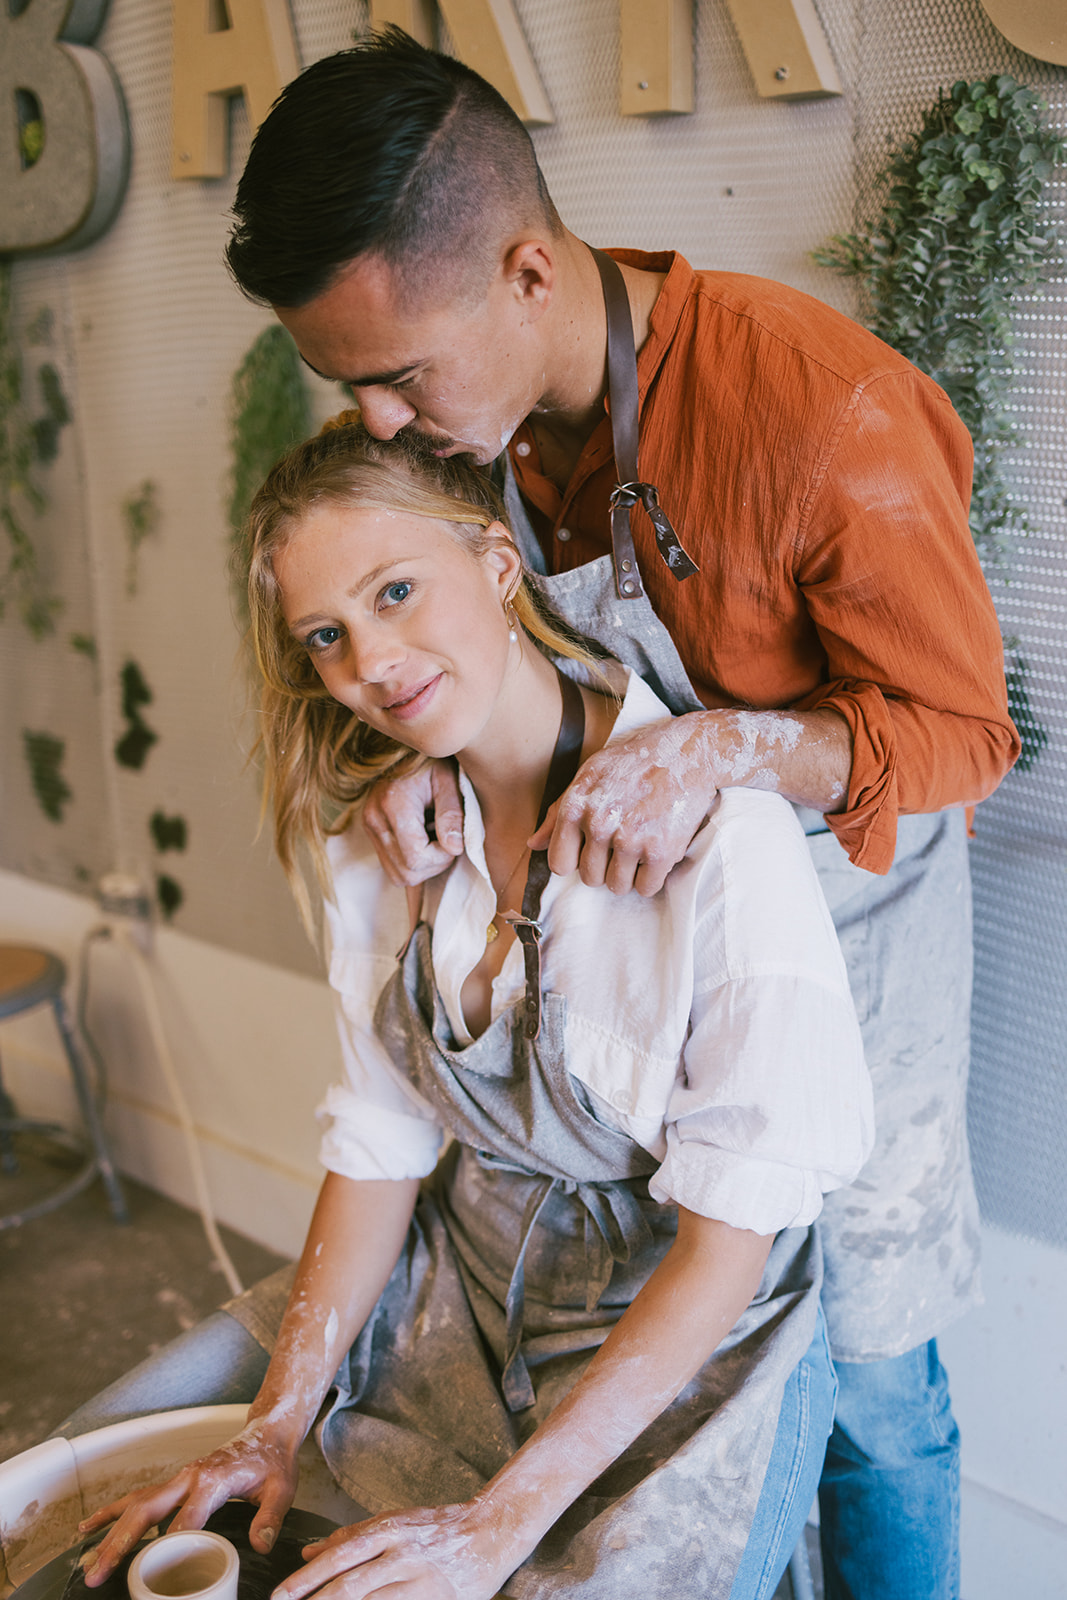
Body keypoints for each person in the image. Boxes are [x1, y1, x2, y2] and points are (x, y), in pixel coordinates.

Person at [219, 32, 1020, 1600]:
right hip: (629, 971)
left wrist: (731, 752)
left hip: (843, 939)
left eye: (397, 375)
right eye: (348, 387)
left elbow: (966, 736)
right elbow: (446, 643)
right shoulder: (472, 428)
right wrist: (416, 766)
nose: (378, 424)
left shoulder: (823, 411)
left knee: (862, 1372)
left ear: (527, 271)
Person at [75, 419, 871, 1600]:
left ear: (498, 566)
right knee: (111, 1446)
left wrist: (497, 1523)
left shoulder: (720, 838)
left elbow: (723, 1248)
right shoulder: (380, 838)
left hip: (674, 1322)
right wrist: (276, 1420)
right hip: (461, 1265)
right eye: (328, 636)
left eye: (397, 591)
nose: (371, 664)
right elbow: (381, 1142)